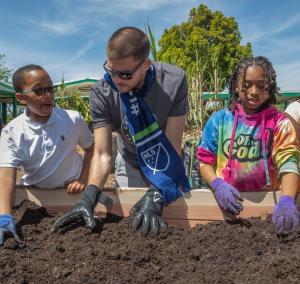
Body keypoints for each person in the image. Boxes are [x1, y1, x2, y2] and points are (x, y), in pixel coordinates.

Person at [52, 26, 190, 235]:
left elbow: (173, 143)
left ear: (145, 65)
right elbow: (102, 153)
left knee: (167, 221)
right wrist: (89, 197)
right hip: (129, 162)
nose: (116, 80)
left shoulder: (173, 81)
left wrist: (156, 192)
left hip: (165, 158)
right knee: (130, 225)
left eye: (125, 74)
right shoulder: (102, 92)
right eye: (111, 70)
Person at [196, 56, 300, 235]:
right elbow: (204, 161)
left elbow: (289, 162)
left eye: (261, 86)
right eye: (247, 84)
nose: (254, 91)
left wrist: (288, 198)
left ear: (270, 87)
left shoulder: (279, 122)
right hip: (227, 211)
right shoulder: (219, 121)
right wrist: (217, 185)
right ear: (236, 85)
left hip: (269, 212)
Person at [0, 64, 94, 245]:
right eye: (39, 91)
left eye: (50, 88)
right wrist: (4, 216)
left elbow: (91, 149)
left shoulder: (72, 119)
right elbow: (6, 177)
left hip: (74, 196)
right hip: (35, 199)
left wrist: (83, 179)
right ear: (20, 98)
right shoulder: (12, 132)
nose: (48, 95)